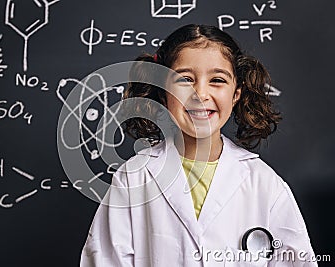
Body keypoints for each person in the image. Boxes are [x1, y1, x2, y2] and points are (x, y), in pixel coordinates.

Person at [80, 24, 317, 266]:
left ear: (236, 94)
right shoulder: (133, 178)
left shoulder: (265, 184)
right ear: (163, 94)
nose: (200, 94)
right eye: (184, 80)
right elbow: (105, 260)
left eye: (217, 80)